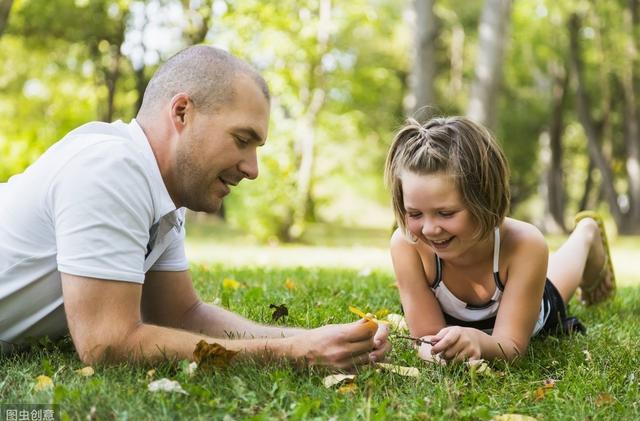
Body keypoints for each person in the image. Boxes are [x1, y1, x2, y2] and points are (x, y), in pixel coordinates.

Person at [0, 45, 390, 369]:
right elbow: (108, 345)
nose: (252, 169)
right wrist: (292, 354)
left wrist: (318, 340)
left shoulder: (162, 196)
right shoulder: (112, 169)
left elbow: (184, 315)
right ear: (182, 112)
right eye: (242, 139)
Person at [384, 116, 616, 363]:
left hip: (529, 308)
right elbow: (426, 337)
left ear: (484, 199)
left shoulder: (525, 244)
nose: (429, 229)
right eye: (415, 214)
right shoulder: (407, 245)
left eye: (446, 213)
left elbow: (512, 346)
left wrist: (478, 343)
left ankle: (586, 234)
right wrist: (439, 351)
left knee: (560, 278)